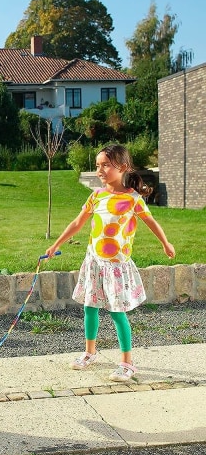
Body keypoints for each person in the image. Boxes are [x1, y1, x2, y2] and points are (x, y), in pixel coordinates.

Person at [45, 143, 175, 382]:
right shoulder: (97, 196)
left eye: (105, 164)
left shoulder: (133, 199)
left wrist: (166, 244)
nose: (100, 170)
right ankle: (89, 352)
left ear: (122, 167)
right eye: (98, 165)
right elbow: (77, 223)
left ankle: (127, 363)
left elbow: (152, 222)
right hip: (94, 261)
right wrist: (57, 244)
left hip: (116, 266)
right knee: (89, 307)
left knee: (117, 313)